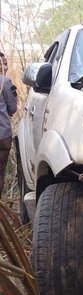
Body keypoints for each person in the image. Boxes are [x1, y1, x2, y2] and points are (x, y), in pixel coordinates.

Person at [0, 52, 17, 197]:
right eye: (3, 63)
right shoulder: (5, 82)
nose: (5, 66)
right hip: (2, 136)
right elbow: (13, 108)